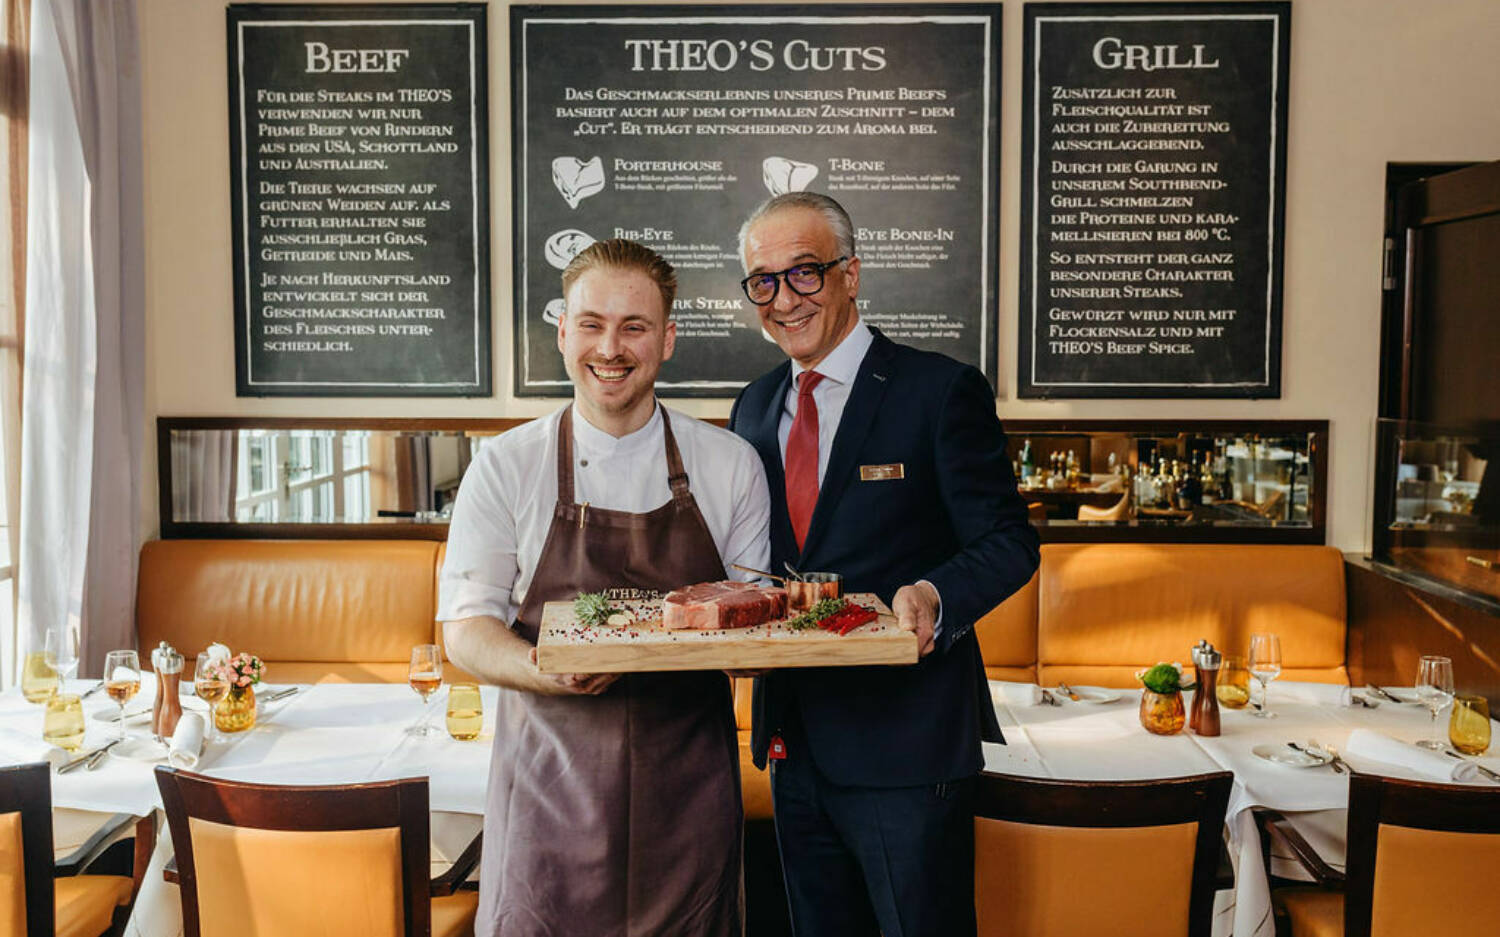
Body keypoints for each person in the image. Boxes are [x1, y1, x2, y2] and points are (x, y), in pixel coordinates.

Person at [728, 192, 1040, 937]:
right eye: (762, 281)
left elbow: (1008, 539)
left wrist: (935, 593)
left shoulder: (938, 391)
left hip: (907, 748)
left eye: (803, 273)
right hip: (793, 746)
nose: (783, 298)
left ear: (851, 273)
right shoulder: (753, 405)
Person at [439, 239, 770, 936]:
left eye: (635, 326)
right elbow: (467, 628)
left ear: (669, 339)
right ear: (563, 331)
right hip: (547, 791)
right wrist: (546, 666)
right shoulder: (505, 466)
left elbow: (754, 629)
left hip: (689, 797)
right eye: (591, 323)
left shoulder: (730, 464)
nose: (610, 347)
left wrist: (775, 639)